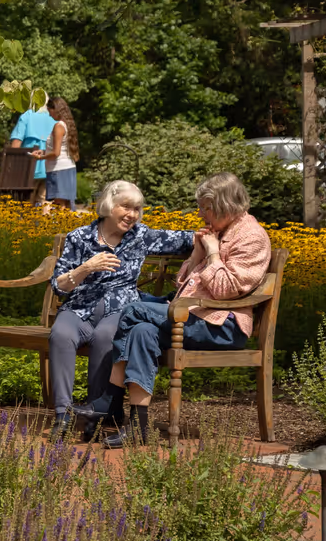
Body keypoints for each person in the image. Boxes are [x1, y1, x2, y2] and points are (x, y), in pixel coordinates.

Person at [77, 172, 271, 447]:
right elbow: (184, 284)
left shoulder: (251, 238)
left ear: (227, 205)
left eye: (207, 207)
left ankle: (107, 400)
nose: (201, 213)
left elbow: (227, 290)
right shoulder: (219, 231)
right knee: (142, 332)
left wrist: (213, 254)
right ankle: (138, 428)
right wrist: (196, 257)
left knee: (132, 310)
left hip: (221, 325)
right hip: (191, 315)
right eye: (201, 206)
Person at [45, 179, 198, 443]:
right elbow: (58, 286)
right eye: (126, 207)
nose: (132, 215)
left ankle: (96, 413)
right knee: (60, 335)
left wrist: (222, 234)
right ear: (108, 205)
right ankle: (63, 415)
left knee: (107, 338)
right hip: (79, 307)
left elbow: (187, 239)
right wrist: (86, 268)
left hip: (119, 309)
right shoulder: (79, 237)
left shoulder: (140, 236)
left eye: (137, 209)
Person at [36, 96, 79, 207]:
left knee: (60, 205)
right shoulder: (67, 125)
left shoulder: (58, 126)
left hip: (58, 169)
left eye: (49, 111)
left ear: (55, 109)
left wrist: (42, 157)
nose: (49, 115)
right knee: (66, 205)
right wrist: (44, 151)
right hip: (67, 168)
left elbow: (56, 153)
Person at [7, 100, 56, 188]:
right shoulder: (54, 118)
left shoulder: (27, 116)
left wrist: (11, 166)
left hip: (28, 169)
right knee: (45, 200)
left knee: (27, 200)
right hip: (51, 168)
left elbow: (16, 143)